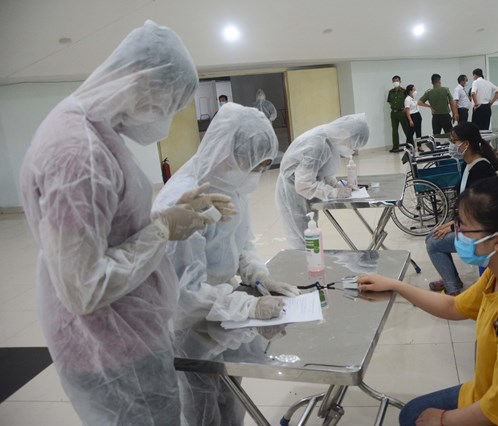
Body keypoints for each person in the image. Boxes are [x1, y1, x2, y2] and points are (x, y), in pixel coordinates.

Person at [19, 21, 229, 425]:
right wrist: (164, 228)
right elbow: (85, 285)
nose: (165, 118)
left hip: (126, 332)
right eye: (167, 103)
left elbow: (105, 228)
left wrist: (167, 215)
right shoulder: (78, 153)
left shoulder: (94, 133)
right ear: (138, 80)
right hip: (112, 349)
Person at [358, 174, 498, 425]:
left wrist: (443, 419)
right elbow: (453, 306)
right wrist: (397, 286)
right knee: (412, 413)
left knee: (415, 418)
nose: (456, 232)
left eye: (462, 226)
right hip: (492, 393)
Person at [152, 103, 299, 425]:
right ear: (227, 154)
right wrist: (247, 307)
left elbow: (241, 241)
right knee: (201, 394)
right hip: (187, 320)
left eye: (262, 166)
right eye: (254, 166)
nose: (257, 174)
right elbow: (183, 293)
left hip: (220, 311)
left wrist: (258, 276)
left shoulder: (232, 183)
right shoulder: (183, 199)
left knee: (230, 385)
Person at [425, 122, 498, 296]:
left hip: (482, 231)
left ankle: (453, 289)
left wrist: (454, 226)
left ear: (466, 144)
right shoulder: (469, 165)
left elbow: (481, 210)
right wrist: (454, 222)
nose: (451, 145)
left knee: (433, 243)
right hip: (471, 224)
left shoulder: (480, 168)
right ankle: (451, 279)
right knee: (432, 235)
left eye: (454, 141)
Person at [276, 114, 370, 249]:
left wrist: (334, 184)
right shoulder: (317, 145)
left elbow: (321, 169)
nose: (351, 149)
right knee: (304, 239)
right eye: (352, 144)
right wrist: (333, 192)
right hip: (292, 190)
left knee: (310, 232)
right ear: (345, 133)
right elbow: (303, 185)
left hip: (301, 188)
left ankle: (313, 264)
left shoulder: (330, 138)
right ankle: (309, 267)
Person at [387, 75, 409, 153]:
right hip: (394, 113)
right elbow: (389, 101)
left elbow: (408, 100)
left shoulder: (404, 91)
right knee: (394, 130)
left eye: (397, 80)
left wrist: (405, 108)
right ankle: (395, 147)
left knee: (406, 129)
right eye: (394, 81)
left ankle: (410, 145)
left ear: (400, 81)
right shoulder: (391, 92)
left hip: (402, 112)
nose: (395, 82)